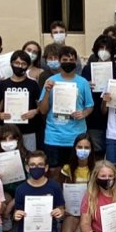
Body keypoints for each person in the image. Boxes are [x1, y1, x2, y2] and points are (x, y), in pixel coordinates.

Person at [38, 45, 94, 178]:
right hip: (54, 135)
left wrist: (84, 113)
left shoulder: (83, 82)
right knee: (54, 172)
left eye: (71, 60)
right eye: (65, 59)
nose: (68, 62)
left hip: (76, 136)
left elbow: (90, 106)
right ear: (59, 61)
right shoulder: (50, 81)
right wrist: (47, 92)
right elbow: (43, 110)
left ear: (75, 62)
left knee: (75, 172)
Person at [13, 150, 65, 232]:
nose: (36, 167)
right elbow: (17, 211)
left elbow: (61, 208)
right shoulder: (21, 189)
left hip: (48, 228)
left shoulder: (54, 186)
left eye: (40, 165)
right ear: (27, 168)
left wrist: (59, 212)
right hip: (28, 229)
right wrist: (16, 215)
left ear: (46, 168)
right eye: (32, 165)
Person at [0, 50, 41, 151]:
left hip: (28, 129)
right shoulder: (3, 84)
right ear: (11, 64)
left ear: (28, 66)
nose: (19, 66)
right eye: (17, 63)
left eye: (23, 64)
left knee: (29, 157)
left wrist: (35, 111)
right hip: (8, 131)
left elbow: (40, 106)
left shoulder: (33, 84)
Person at [82, 35, 116, 156]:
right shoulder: (88, 69)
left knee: (113, 153)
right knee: (97, 151)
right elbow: (81, 94)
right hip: (94, 117)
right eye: (101, 48)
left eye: (107, 49)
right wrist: (85, 85)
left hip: (114, 118)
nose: (104, 51)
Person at [60, 133, 95, 232]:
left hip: (89, 210)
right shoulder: (67, 168)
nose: (83, 150)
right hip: (72, 210)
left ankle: (88, 224)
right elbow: (61, 189)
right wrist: (63, 207)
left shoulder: (96, 168)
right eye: (80, 147)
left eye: (86, 147)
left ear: (91, 149)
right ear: (75, 148)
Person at [0, 124, 27, 231]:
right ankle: (5, 217)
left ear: (18, 139)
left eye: (11, 139)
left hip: (23, 191)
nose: (8, 142)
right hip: (5, 192)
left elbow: (32, 182)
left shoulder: (27, 156)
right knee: (2, 197)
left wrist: (11, 205)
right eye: (4, 139)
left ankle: (11, 212)